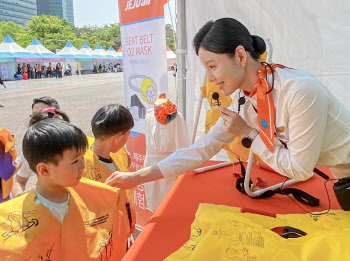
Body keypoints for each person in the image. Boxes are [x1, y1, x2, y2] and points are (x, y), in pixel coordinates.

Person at [105, 17, 350, 190]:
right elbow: (202, 148)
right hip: (341, 174)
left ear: (241, 56)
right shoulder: (245, 102)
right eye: (206, 68)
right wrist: (138, 177)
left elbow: (299, 169)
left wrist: (248, 133)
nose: (211, 78)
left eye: (213, 66)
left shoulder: (299, 91)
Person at [0, 118, 131, 260]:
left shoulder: (101, 196)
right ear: (44, 170)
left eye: (82, 157)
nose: (82, 166)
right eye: (75, 161)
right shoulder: (7, 222)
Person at [83, 104, 135, 241]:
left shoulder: (121, 153)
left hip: (126, 230)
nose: (127, 140)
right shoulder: (81, 166)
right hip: (102, 239)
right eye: (128, 135)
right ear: (118, 137)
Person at [11, 96, 61, 197]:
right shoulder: (32, 146)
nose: (36, 119)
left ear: (57, 115)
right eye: (34, 115)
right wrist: (19, 198)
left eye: (42, 113)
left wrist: (37, 189)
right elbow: (20, 181)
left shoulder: (72, 141)